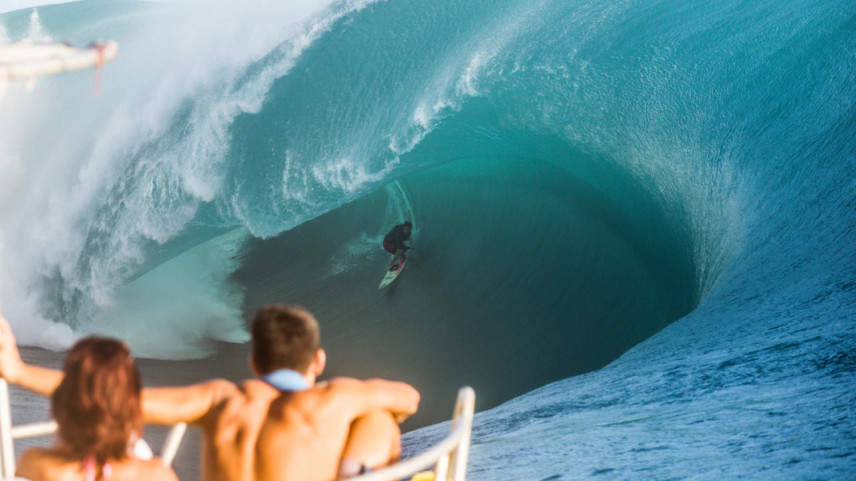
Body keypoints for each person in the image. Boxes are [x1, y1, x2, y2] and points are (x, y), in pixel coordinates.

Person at [0, 306, 419, 481]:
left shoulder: (219, 400)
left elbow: (112, 397)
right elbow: (409, 399)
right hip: (340, 415)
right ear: (319, 360)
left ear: (254, 363)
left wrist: (18, 371)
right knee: (379, 418)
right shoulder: (334, 398)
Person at [0, 328, 179, 481]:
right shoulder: (154, 474)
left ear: (62, 408)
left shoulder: (37, 465)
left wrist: (19, 371)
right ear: (134, 408)